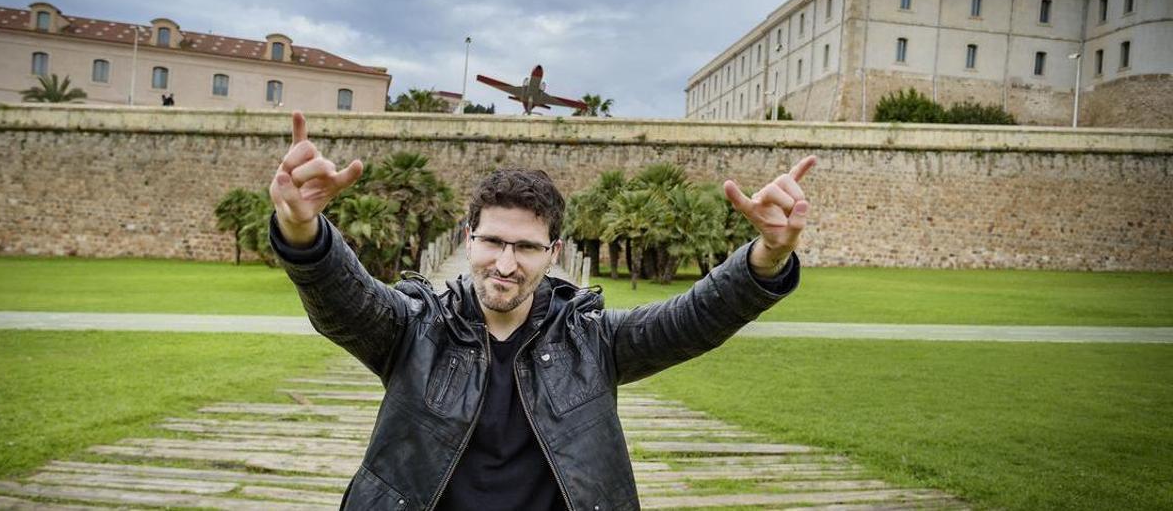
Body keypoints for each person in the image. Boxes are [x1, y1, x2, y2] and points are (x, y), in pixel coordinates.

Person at [269, 111, 814, 510]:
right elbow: (344, 299)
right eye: (493, 242)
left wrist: (766, 256)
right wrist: (301, 227)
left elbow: (692, 319)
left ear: (553, 254)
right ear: (469, 238)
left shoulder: (593, 341)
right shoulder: (414, 328)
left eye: (526, 247)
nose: (505, 264)